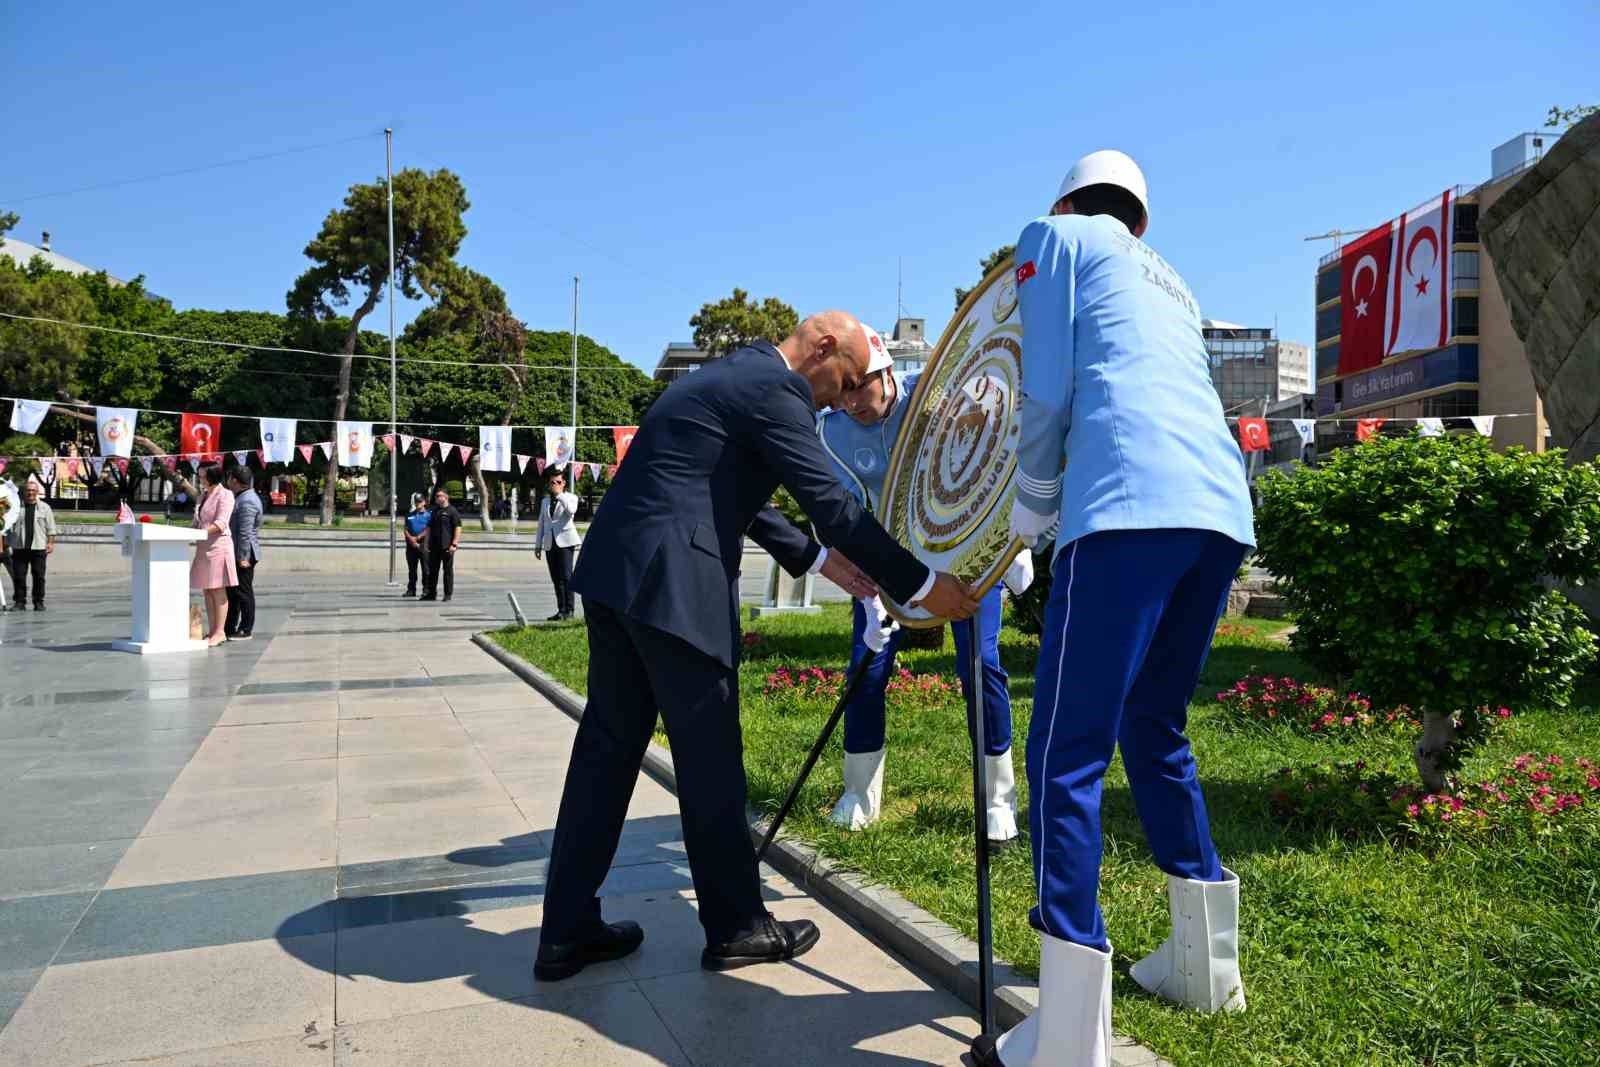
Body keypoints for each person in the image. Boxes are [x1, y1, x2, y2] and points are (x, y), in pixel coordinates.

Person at [533, 309, 979, 984]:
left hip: (618, 574)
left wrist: (815, 560)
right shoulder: (780, 391)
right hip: (674, 583)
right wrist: (920, 584)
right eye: (847, 378)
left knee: (606, 751)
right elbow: (835, 506)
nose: (842, 398)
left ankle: (566, 927)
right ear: (824, 348)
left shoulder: (735, 373)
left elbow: (728, 485)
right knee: (711, 756)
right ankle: (738, 925)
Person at [972, 151, 1256, 1067]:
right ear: (1141, 218)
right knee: (1156, 723)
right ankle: (1205, 966)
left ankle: (1064, 1035)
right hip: (1218, 511)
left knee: (1063, 749)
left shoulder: (1052, 236)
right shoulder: (1168, 278)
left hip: (1126, 506)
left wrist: (1031, 501)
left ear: (1063, 199)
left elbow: (1045, 384)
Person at [817, 323, 1033, 846]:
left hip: (965, 553)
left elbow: (998, 441)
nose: (850, 404)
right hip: (888, 559)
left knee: (979, 666)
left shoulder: (938, 387)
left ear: (885, 370)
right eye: (838, 392)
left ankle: (996, 801)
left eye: (858, 388)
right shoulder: (831, 432)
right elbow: (844, 513)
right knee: (867, 668)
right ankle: (859, 795)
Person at [190, 465, 238, 647]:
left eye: (202, 475)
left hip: (218, 546)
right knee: (207, 589)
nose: (200, 478)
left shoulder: (225, 495)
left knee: (217, 589)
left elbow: (221, 523)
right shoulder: (202, 496)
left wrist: (200, 533)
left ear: (213, 476)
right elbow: (197, 522)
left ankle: (220, 632)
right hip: (203, 547)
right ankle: (211, 631)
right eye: (199, 475)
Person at [535, 469, 581, 621]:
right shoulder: (545, 501)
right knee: (556, 578)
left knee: (566, 576)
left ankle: (570, 610)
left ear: (564, 483)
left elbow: (571, 510)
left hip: (565, 542)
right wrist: (537, 545)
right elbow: (541, 523)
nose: (555, 485)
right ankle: (561, 610)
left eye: (558, 482)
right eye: (552, 483)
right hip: (550, 543)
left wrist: (559, 494)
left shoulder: (570, 497)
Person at [7, 478, 58, 612]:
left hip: (38, 547)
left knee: (39, 576)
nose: (30, 493)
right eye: (28, 490)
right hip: (19, 547)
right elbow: (8, 524)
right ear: (24, 492)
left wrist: (51, 543)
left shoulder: (45, 507)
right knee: (18, 576)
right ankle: (19, 602)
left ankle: (38, 602)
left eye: (33, 490)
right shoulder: (16, 507)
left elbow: (51, 527)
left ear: (37, 492)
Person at [224, 469, 263, 640]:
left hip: (244, 553)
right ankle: (229, 627)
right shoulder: (242, 497)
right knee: (233, 592)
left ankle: (246, 629)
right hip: (239, 551)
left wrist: (243, 557)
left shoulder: (247, 501)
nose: (228, 481)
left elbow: (245, 533)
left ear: (235, 480)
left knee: (243, 592)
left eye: (230, 478)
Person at [421, 487, 462, 602]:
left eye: (439, 496)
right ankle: (431, 594)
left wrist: (454, 544)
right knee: (433, 571)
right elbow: (429, 527)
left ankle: (447, 594)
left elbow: (458, 528)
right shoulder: (434, 511)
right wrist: (426, 542)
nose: (437, 498)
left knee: (447, 571)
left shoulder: (452, 511)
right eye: (437, 496)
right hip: (434, 546)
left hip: (447, 546)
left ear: (446, 497)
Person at [402, 493, 431, 597]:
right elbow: (405, 529)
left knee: (426, 569)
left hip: (424, 544)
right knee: (412, 570)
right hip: (411, 545)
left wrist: (418, 538)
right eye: (416, 502)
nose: (417, 504)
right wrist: (411, 540)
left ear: (424, 502)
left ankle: (426, 590)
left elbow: (429, 529)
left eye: (419, 501)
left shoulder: (429, 515)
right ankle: (411, 590)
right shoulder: (410, 515)